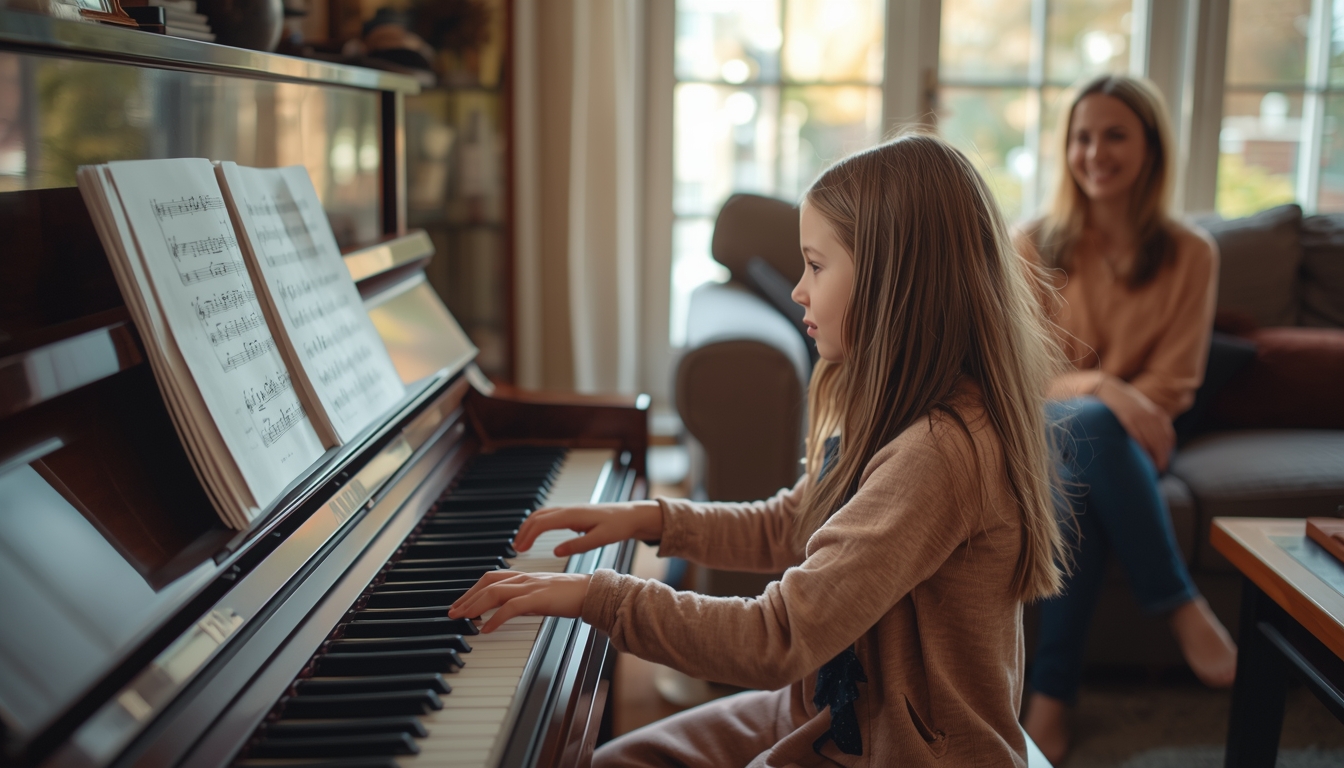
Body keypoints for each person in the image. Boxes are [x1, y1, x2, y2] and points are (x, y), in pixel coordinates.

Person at [450, 134, 1066, 767]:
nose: (799, 289)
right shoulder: (890, 409)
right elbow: (794, 523)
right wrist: (655, 520)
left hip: (905, 751)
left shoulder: (940, 454)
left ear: (891, 281)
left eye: (816, 266)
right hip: (834, 711)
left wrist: (600, 598)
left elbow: (781, 637)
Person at [1017, 75, 1238, 763]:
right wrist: (1106, 387)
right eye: (1082, 137)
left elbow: (1174, 382)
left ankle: (1049, 700)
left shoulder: (1192, 253)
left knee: (1089, 449)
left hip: (1142, 435)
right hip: (1050, 426)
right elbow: (1024, 377)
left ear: (1150, 149)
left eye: (1115, 135)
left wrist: (1111, 404)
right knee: (1085, 427)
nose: (1095, 152)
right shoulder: (1032, 244)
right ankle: (1175, 602)